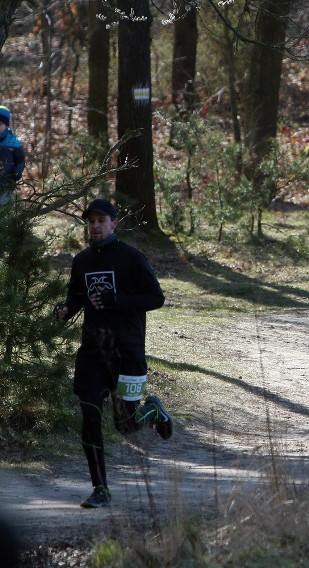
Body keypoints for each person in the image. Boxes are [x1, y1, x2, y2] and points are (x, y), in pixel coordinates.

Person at [54, 198, 172, 508]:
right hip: (93, 350)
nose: (95, 225)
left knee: (126, 423)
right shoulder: (81, 261)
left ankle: (153, 409)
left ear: (114, 223)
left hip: (127, 351)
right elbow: (77, 295)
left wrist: (117, 299)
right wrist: (67, 309)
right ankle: (100, 488)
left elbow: (156, 297)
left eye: (101, 220)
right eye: (90, 220)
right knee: (90, 414)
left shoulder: (131, 258)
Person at [0, 105, 26, 206]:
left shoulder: (13, 143)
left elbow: (20, 160)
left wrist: (16, 174)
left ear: (6, 125)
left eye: (0, 124)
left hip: (6, 182)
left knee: (3, 207)